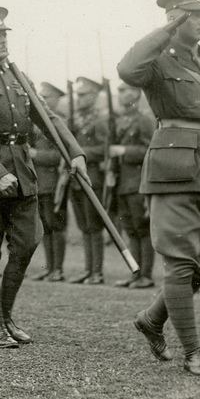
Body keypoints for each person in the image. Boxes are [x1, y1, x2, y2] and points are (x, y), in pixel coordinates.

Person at [117, 0, 200, 378]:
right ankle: (193, 353)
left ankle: (153, 319)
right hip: (175, 170)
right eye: (193, 15)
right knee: (179, 262)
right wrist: (164, 31)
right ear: (175, 20)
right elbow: (127, 69)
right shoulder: (157, 62)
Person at [0, 6, 87, 348]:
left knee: (27, 242)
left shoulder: (18, 77)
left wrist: (75, 152)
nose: (2, 40)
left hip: (23, 172)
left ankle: (5, 316)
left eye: (5, 34)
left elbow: (48, 117)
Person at [111, 81, 157, 288]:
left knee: (142, 229)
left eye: (126, 90)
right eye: (119, 90)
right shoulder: (120, 120)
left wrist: (124, 152)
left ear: (137, 94)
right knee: (130, 228)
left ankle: (145, 275)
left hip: (138, 182)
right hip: (122, 182)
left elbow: (150, 150)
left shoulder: (144, 120)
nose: (121, 94)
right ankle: (135, 273)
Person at [67, 77, 109, 285]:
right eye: (77, 95)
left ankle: (97, 271)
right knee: (84, 226)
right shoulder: (75, 120)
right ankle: (87, 269)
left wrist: (80, 154)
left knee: (94, 226)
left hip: (93, 178)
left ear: (94, 95)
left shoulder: (100, 120)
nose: (79, 99)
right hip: (76, 180)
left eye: (83, 95)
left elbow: (104, 149)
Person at [28, 82, 70, 282]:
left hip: (54, 181)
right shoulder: (36, 122)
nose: (43, 100)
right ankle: (50, 267)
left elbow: (61, 155)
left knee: (56, 224)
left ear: (57, 99)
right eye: (41, 96)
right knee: (44, 225)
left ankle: (58, 269)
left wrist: (36, 154)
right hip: (39, 182)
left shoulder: (59, 122)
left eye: (48, 97)